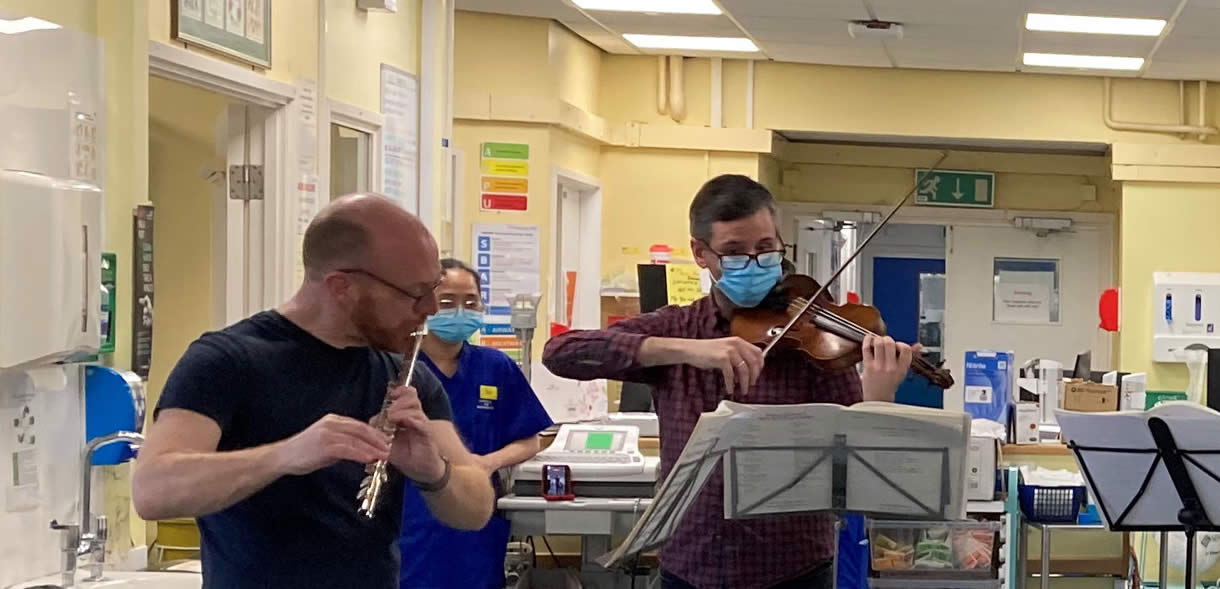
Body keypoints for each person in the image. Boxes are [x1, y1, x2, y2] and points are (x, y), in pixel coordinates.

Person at [543, 174, 921, 589]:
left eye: (765, 249)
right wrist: (684, 350)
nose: (756, 263)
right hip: (691, 565)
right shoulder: (679, 327)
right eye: (735, 253)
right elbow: (561, 352)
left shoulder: (811, 339)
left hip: (794, 570)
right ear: (701, 254)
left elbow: (855, 469)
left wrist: (879, 396)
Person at [131, 194, 496, 589]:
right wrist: (286, 455)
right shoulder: (226, 361)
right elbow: (153, 490)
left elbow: (476, 507)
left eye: (433, 290)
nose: (428, 309)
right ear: (342, 287)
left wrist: (433, 471)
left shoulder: (406, 376)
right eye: (414, 294)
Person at [399, 258, 554, 589]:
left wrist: (487, 463)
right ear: (424, 306)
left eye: (470, 302)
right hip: (411, 514)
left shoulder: (495, 367)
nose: (460, 311)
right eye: (447, 302)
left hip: (476, 516)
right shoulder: (401, 369)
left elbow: (531, 439)